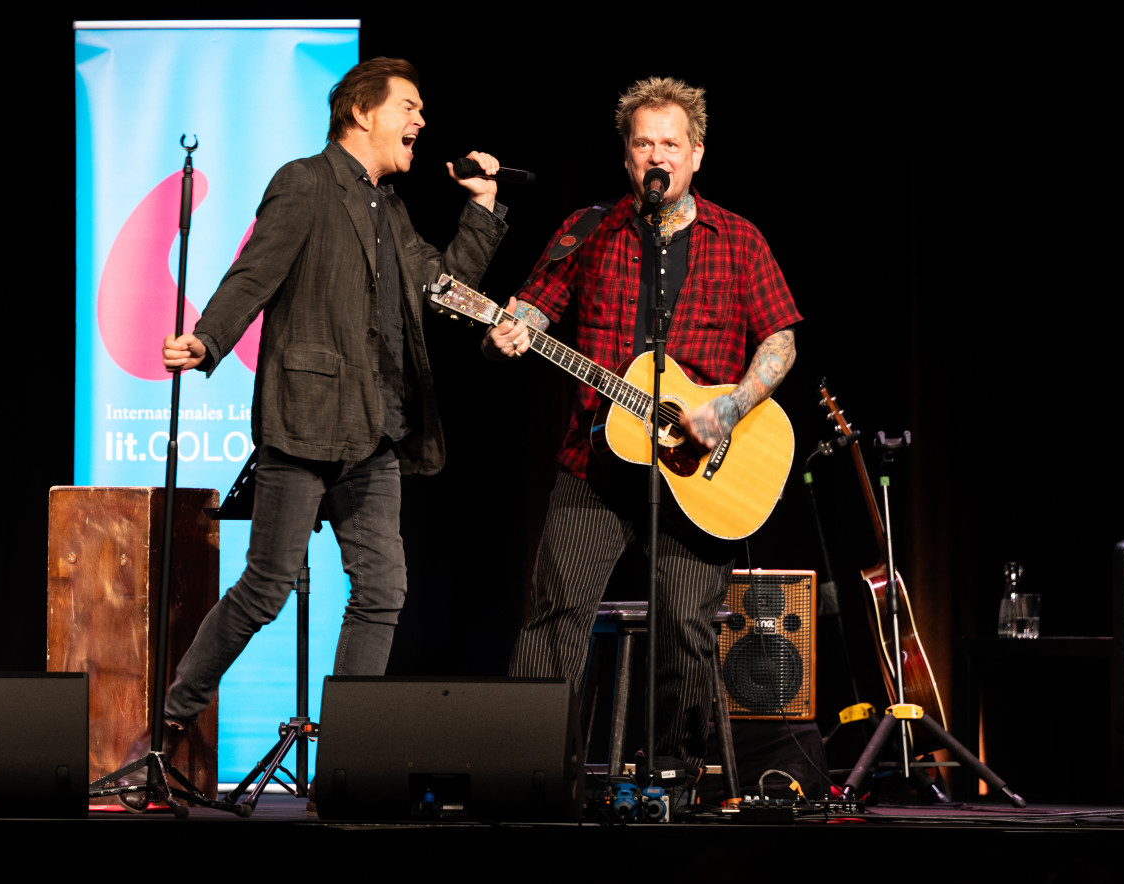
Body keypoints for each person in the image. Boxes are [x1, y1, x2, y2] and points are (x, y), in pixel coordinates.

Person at [156, 57, 508, 751]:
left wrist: (483, 205)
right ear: (360, 113)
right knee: (266, 586)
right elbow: (255, 271)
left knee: (383, 589)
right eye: (408, 106)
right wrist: (207, 339)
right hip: (306, 421)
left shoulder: (393, 210)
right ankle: (170, 716)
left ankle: (347, 753)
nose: (421, 120)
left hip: (376, 433)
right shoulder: (304, 182)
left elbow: (445, 288)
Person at [487, 76, 800, 778]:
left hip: (698, 473)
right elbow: (539, 304)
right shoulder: (588, 228)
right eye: (642, 143)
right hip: (594, 462)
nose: (655, 155)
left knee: (686, 628)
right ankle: (525, 769)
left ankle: (674, 777)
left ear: (695, 155)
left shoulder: (738, 240)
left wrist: (725, 410)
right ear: (627, 157)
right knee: (556, 613)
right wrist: (515, 329)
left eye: (669, 143)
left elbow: (780, 341)